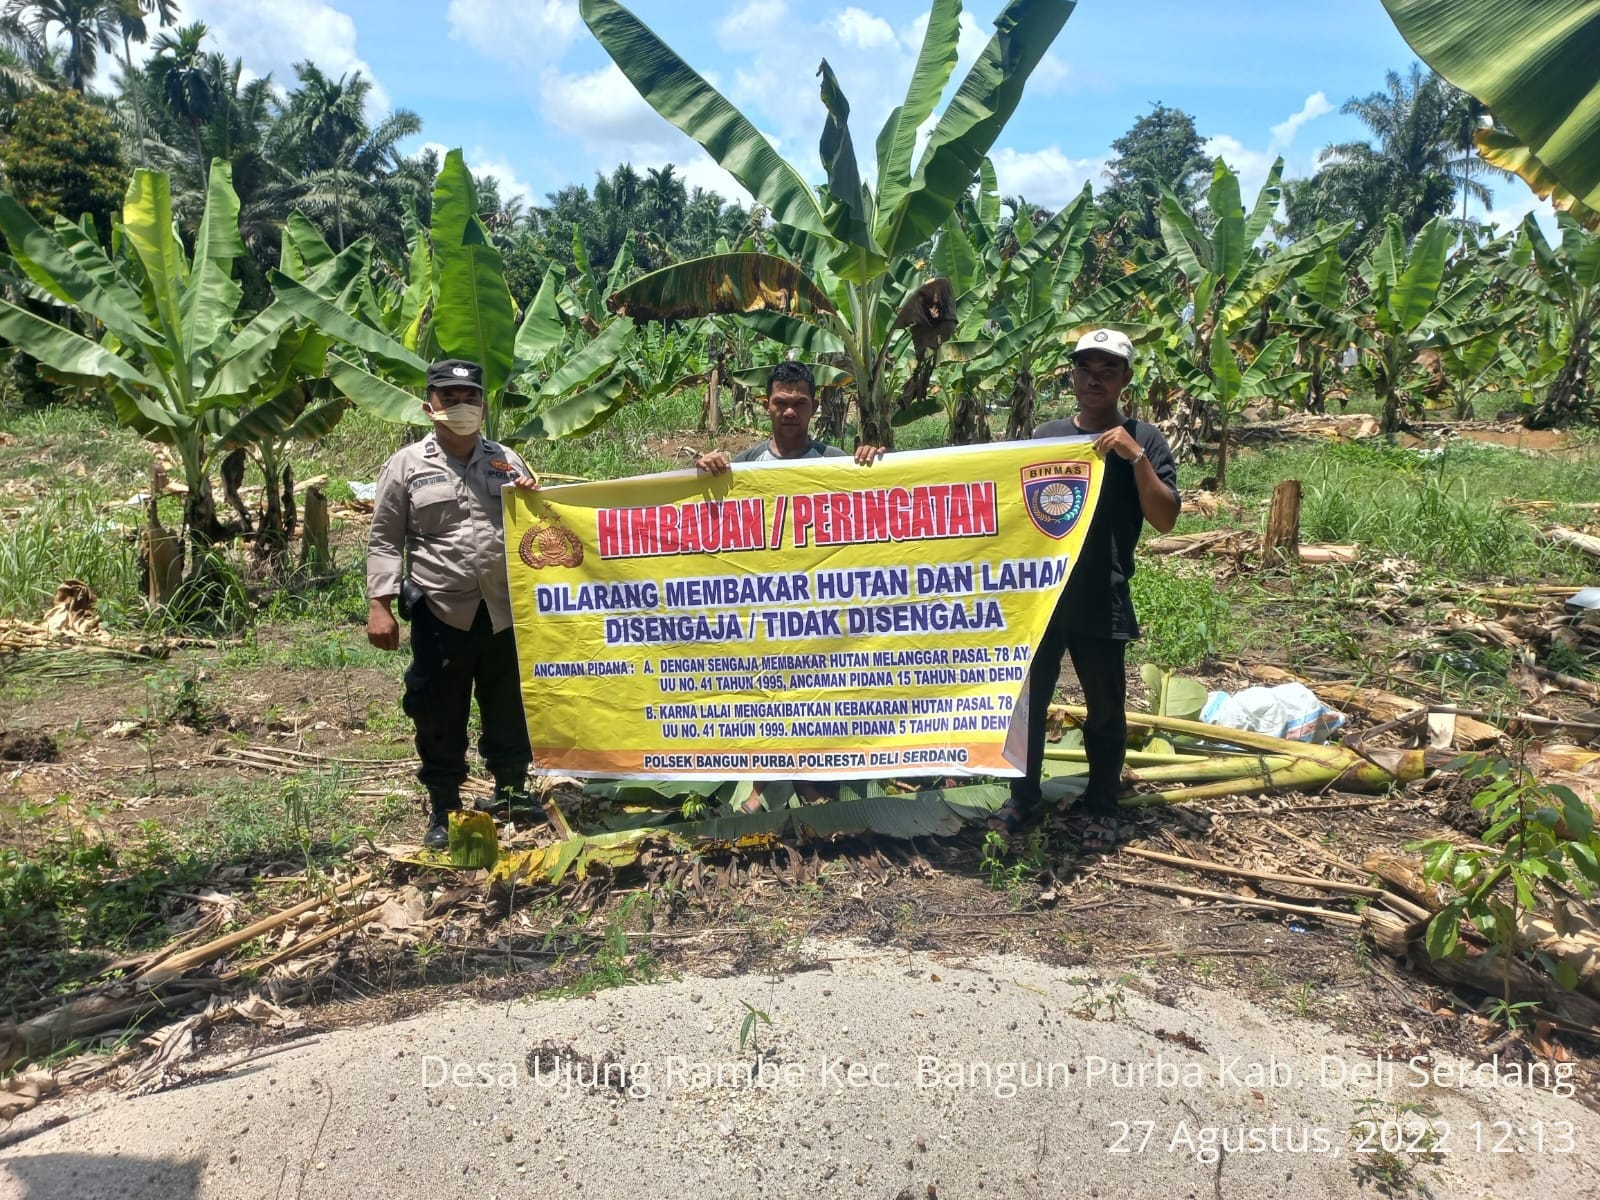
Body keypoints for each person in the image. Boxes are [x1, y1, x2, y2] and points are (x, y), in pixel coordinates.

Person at [990, 329, 1180, 849]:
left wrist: (1135, 457)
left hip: (1102, 593)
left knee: (1105, 709)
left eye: (1107, 370)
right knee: (1028, 705)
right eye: (1085, 369)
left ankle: (1102, 804)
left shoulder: (1144, 438)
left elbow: (1164, 518)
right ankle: (1022, 797)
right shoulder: (1047, 435)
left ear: (1125, 378)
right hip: (1042, 597)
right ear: (1072, 376)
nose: (1094, 379)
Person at [695, 359, 883, 812]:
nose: (790, 411)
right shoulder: (744, 465)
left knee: (814, 691)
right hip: (761, 606)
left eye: (799, 402)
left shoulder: (836, 463)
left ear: (815, 406)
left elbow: (876, 502)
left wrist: (873, 463)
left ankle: (808, 780)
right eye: (781, 402)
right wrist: (703, 467)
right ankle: (764, 783)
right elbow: (698, 510)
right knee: (767, 691)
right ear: (766, 405)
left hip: (820, 607)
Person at [367, 359, 539, 848]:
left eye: (470, 398)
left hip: (504, 609)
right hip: (441, 609)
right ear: (430, 406)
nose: (461, 406)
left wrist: (533, 498)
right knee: (438, 711)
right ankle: (444, 806)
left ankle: (511, 791)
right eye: (450, 398)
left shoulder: (508, 460)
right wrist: (380, 604)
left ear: (483, 406)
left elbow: (540, 528)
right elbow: (384, 538)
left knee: (510, 703)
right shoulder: (406, 466)